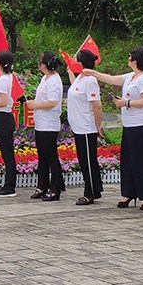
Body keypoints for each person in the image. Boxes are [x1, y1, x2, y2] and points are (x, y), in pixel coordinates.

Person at [87, 47, 143, 209]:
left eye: (130, 56)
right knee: (127, 160)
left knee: (142, 161)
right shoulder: (131, 76)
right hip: (128, 125)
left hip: (140, 124)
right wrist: (93, 73)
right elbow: (113, 79)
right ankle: (129, 193)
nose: (128, 57)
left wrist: (125, 103)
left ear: (136, 60)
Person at [65, 48, 103, 206]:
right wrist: (70, 72)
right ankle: (95, 188)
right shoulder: (81, 78)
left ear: (81, 63)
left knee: (88, 161)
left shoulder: (91, 80)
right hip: (78, 127)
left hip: (87, 128)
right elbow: (76, 90)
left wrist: (98, 125)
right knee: (84, 160)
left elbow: (97, 106)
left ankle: (90, 193)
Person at [29, 51, 66, 202]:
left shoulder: (54, 81)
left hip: (49, 124)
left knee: (51, 157)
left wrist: (36, 104)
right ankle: (42, 186)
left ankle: (55, 189)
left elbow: (52, 102)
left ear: (43, 65)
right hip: (41, 123)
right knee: (42, 157)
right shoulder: (46, 78)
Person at [0, 50, 18, 197]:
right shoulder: (7, 78)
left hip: (3, 117)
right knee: (7, 153)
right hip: (3, 117)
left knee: (8, 154)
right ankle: (8, 185)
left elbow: (3, 102)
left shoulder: (3, 80)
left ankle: (10, 187)